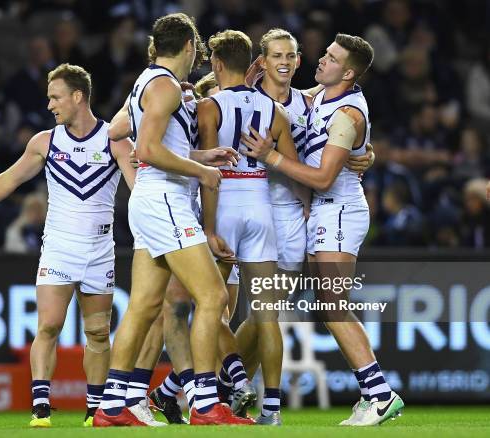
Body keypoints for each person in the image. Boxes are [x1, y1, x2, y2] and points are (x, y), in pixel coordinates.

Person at [0, 63, 137, 428]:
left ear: (78, 96)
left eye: (55, 97)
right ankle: (41, 407)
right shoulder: (45, 142)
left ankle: (95, 411)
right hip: (59, 248)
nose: (49, 105)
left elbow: (140, 189)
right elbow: (8, 179)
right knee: (49, 325)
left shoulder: (115, 140)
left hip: (100, 250)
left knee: (97, 333)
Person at [93, 13, 251, 427]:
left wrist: (201, 156)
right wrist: (200, 172)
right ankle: (206, 404)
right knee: (213, 298)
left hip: (151, 197)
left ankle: (111, 407)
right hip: (165, 199)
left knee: (144, 307)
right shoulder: (164, 86)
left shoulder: (148, 83)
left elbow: (155, 145)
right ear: (188, 47)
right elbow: (145, 149)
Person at [241, 33, 404, 426]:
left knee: (333, 305)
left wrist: (272, 155)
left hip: (339, 210)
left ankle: (379, 395)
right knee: (327, 305)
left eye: (331, 59)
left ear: (348, 72)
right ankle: (376, 393)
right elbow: (283, 94)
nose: (321, 60)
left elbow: (324, 178)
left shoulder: (347, 114)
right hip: (322, 215)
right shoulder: (323, 97)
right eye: (325, 54)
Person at [198, 29, 299, 426]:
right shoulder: (276, 110)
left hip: (225, 203)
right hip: (261, 206)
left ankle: (231, 384)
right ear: (252, 63)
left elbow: (209, 171)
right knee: (267, 315)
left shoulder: (209, 106)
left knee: (211, 306)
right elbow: (290, 168)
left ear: (217, 64)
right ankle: (271, 409)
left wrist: (209, 226)